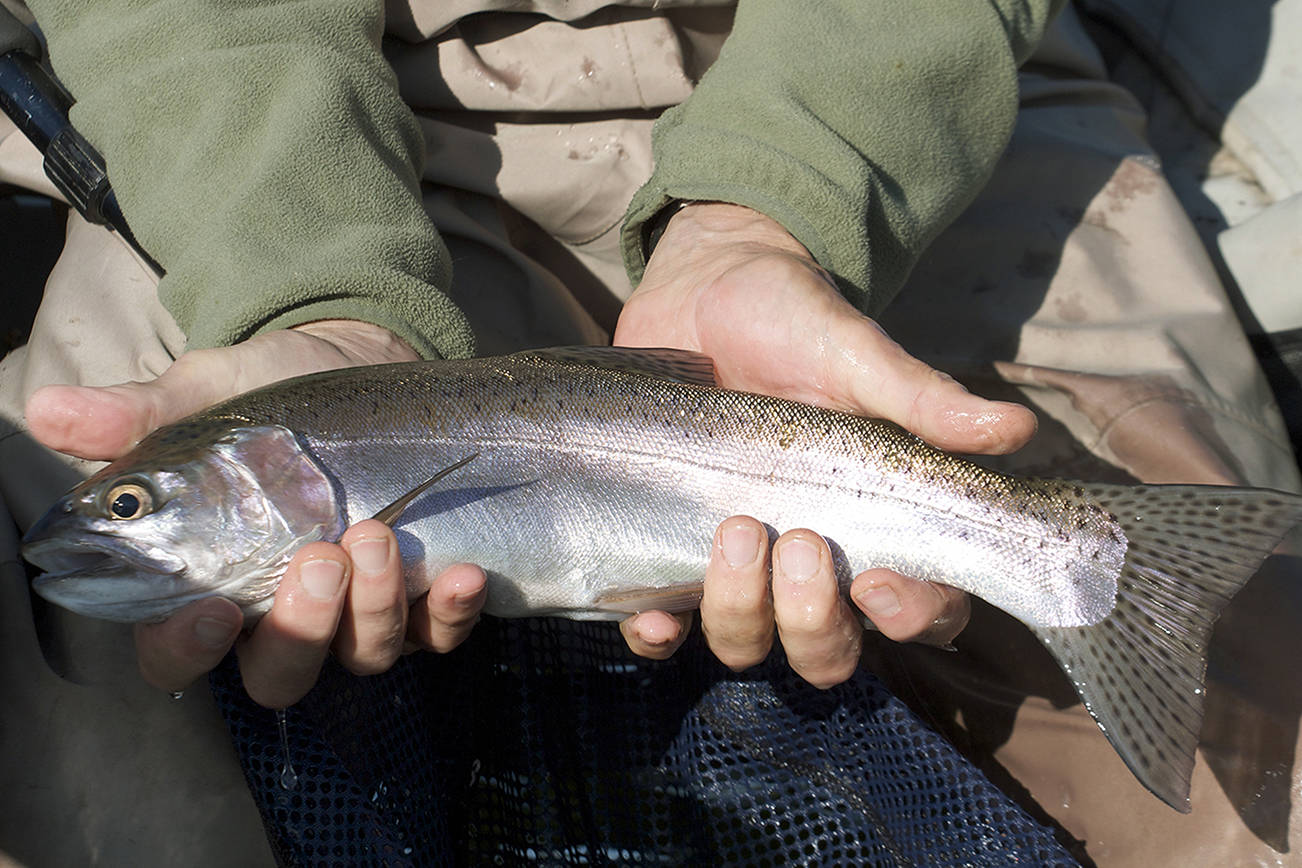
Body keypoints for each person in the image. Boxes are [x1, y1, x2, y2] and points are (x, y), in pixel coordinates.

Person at [1, 0, 1299, 865]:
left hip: (895, 65)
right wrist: (306, 295)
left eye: (138, 507)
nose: (120, 520)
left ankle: (1074, 562)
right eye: (139, 505)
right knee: (104, 701)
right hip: (262, 124)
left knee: (1263, 715)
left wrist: (771, 212)